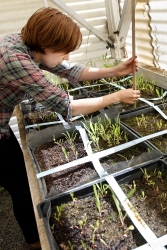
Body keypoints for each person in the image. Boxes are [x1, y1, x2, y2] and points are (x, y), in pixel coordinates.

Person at [0, 7, 140, 250]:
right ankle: (36, 245)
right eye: (64, 50)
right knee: (22, 189)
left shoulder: (26, 43)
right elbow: (67, 106)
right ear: (45, 45)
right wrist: (115, 97)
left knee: (18, 177)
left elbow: (68, 70)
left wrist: (115, 70)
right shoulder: (15, 59)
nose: (66, 56)